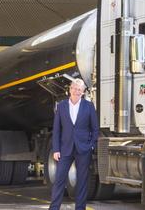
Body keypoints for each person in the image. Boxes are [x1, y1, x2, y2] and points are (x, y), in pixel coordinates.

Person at [49, 78, 99, 210]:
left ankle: (80, 208)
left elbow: (95, 129)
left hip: (83, 149)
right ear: (70, 90)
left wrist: (91, 145)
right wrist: (56, 149)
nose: (77, 91)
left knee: (82, 181)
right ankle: (54, 208)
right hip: (65, 149)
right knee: (59, 180)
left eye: (80, 90)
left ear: (83, 92)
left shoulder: (89, 106)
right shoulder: (62, 106)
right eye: (74, 88)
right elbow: (57, 130)